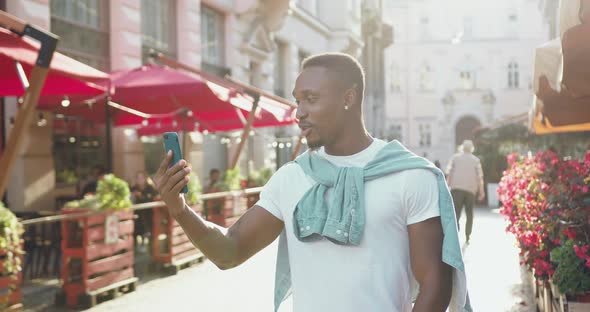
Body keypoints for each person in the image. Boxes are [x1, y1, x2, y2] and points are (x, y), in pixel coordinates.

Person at [153, 53, 470, 312]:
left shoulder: (410, 176)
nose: (299, 112)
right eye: (297, 100)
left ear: (349, 98)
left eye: (311, 99)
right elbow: (229, 251)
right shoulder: (292, 177)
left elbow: (435, 283)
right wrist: (179, 209)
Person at [445, 140, 485, 243]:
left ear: (462, 147)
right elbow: (479, 177)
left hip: (456, 189)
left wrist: (447, 186)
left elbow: (449, 173)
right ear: (472, 148)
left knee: (455, 213)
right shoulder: (476, 160)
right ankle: (468, 236)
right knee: (469, 214)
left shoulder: (455, 158)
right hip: (470, 190)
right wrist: (481, 191)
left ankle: (455, 235)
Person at [131, 171, 159, 247]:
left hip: (148, 214)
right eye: (138, 178)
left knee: (149, 232)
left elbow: (152, 199)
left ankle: (150, 248)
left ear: (145, 178)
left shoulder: (150, 188)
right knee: (135, 231)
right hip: (137, 214)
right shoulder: (134, 188)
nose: (139, 180)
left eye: (141, 178)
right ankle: (135, 248)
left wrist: (141, 196)